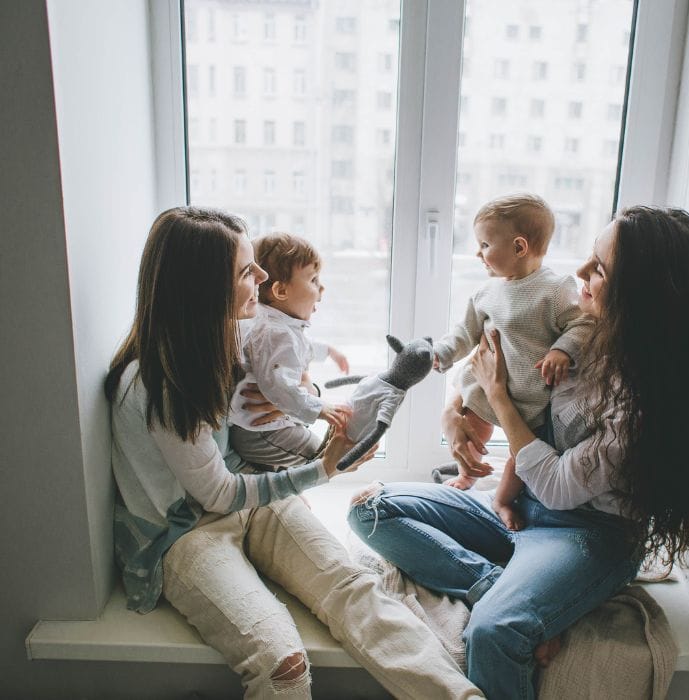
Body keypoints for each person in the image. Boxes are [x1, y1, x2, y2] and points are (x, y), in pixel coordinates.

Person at [105, 206, 484, 700]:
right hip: (185, 533)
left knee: (355, 590)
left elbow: (286, 375)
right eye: (246, 271)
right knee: (281, 662)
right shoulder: (156, 384)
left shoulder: (228, 336)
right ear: (204, 289)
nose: (262, 277)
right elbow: (217, 494)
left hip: (249, 500)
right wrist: (320, 470)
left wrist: (303, 389)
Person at [349, 206, 689, 699]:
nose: (582, 273)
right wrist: (456, 408)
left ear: (643, 292)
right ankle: (490, 582)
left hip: (588, 533)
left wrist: (499, 400)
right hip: (523, 508)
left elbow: (560, 484)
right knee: (369, 509)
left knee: (493, 631)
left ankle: (512, 598)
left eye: (601, 268)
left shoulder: (648, 397)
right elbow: (498, 368)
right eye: (589, 259)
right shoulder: (584, 336)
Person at [432, 193, 592, 528]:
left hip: (531, 400)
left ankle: (502, 501)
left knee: (521, 459)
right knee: (471, 431)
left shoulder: (556, 289)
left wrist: (562, 349)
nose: (479, 253)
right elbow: (465, 333)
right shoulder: (486, 293)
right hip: (482, 389)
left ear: (519, 247)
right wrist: (443, 354)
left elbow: (581, 324)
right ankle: (467, 474)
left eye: (485, 245)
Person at [228, 231, 350, 471]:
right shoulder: (276, 333)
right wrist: (320, 409)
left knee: (316, 450)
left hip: (265, 426)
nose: (321, 288)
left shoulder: (273, 323)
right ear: (281, 291)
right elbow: (279, 388)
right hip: (262, 432)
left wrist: (328, 351)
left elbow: (300, 347)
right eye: (313, 280)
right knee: (323, 456)